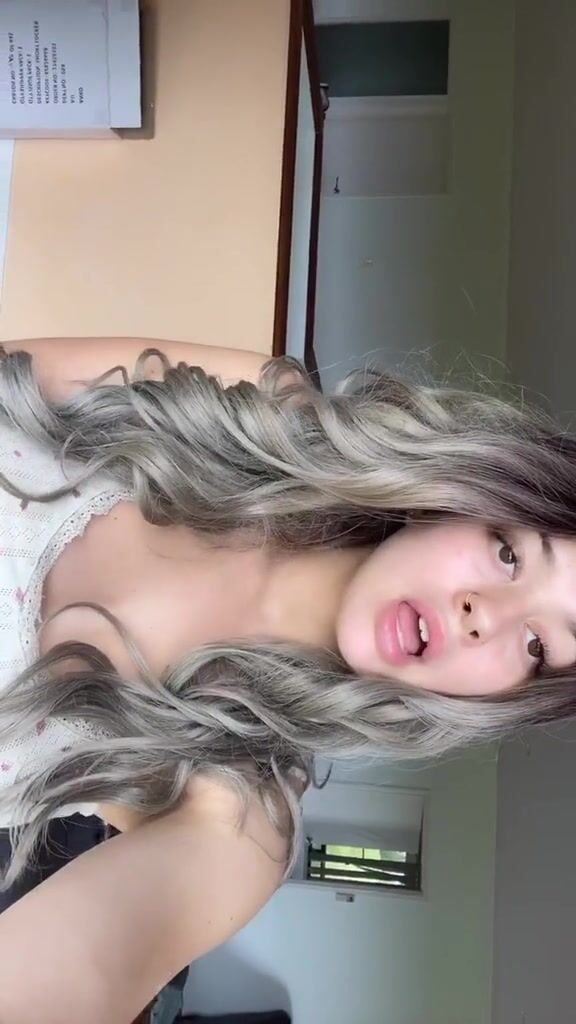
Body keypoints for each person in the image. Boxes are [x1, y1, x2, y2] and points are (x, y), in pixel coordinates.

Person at [0, 336, 574, 1022]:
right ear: (461, 495)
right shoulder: (258, 403)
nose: (485, 616)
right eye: (510, 554)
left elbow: (69, 976)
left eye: (538, 645)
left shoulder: (240, 823)